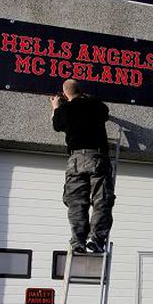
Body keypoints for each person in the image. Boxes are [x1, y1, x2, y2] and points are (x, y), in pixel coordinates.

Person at [50, 79, 114, 253]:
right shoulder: (95, 105)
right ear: (81, 91)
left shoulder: (64, 109)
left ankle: (78, 241)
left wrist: (56, 105)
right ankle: (97, 239)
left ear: (65, 94)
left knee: (77, 202)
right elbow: (105, 112)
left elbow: (57, 125)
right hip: (97, 157)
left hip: (76, 159)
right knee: (102, 200)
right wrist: (88, 99)